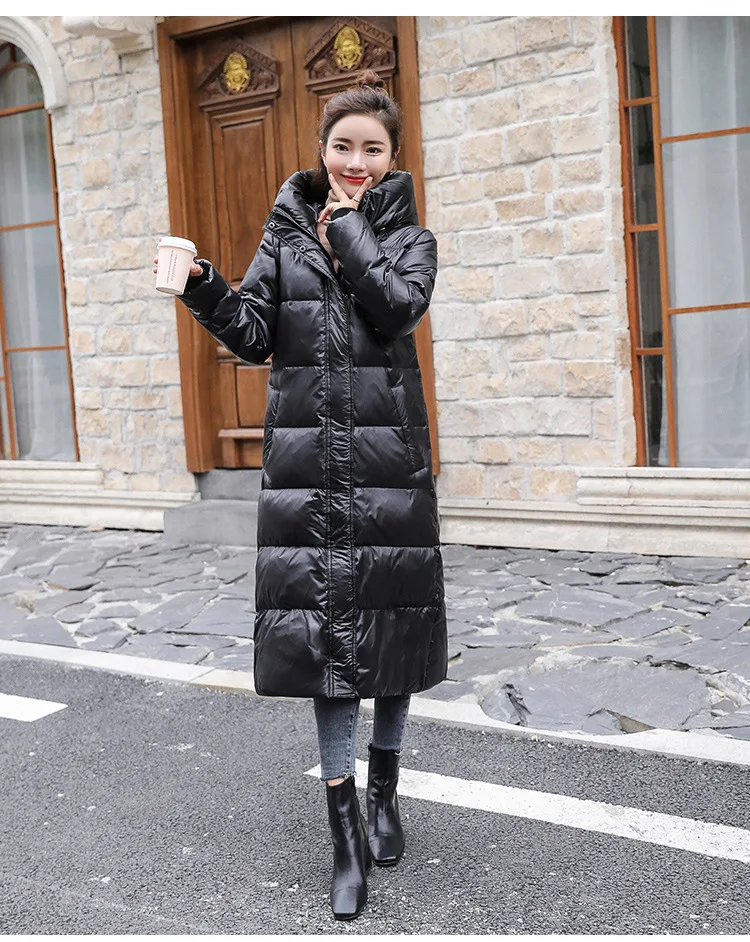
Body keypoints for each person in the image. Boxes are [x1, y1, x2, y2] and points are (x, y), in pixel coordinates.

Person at [154, 70, 447, 921]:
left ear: (393, 157)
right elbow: (253, 335)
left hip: (389, 468)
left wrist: (350, 229)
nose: (355, 161)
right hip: (309, 472)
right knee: (328, 650)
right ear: (321, 149)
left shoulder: (412, 238)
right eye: (342, 146)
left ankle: (386, 795)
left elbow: (396, 309)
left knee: (392, 635)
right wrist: (202, 283)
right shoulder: (284, 236)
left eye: (372, 149)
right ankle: (345, 834)